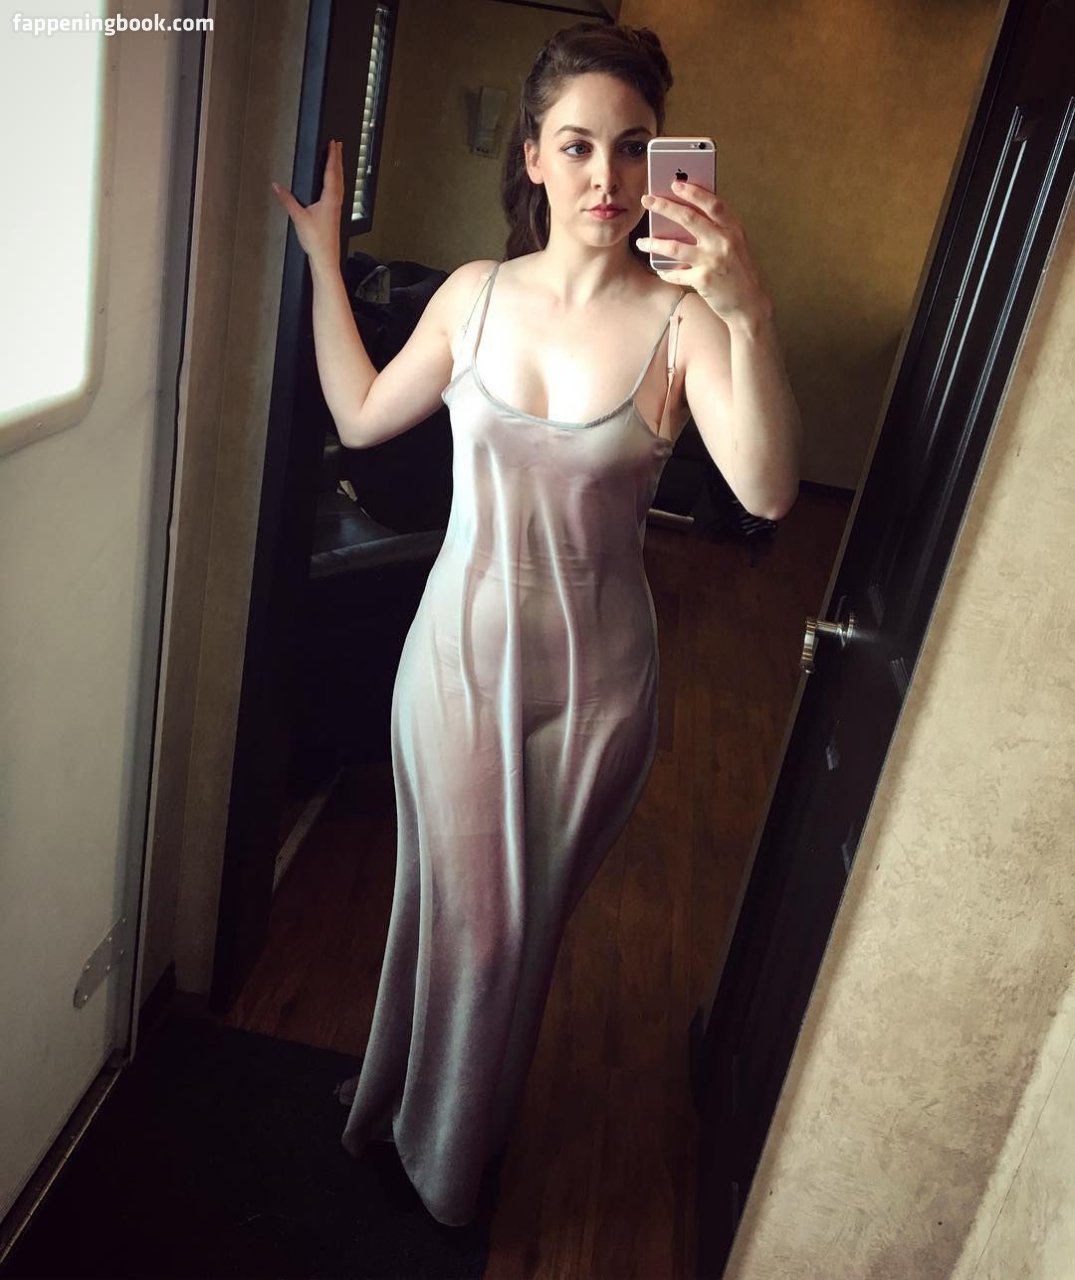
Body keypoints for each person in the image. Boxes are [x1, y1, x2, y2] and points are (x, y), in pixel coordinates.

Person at [272, 21, 801, 1228]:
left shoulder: (686, 323)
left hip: (595, 691)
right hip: (453, 661)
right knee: (455, 914)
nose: (606, 178)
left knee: (513, 938)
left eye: (632, 147)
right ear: (531, 157)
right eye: (576, 145)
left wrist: (752, 313)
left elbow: (770, 491)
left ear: (662, 157)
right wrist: (320, 260)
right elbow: (360, 414)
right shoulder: (474, 295)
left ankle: (446, 1147)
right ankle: (417, 1124)